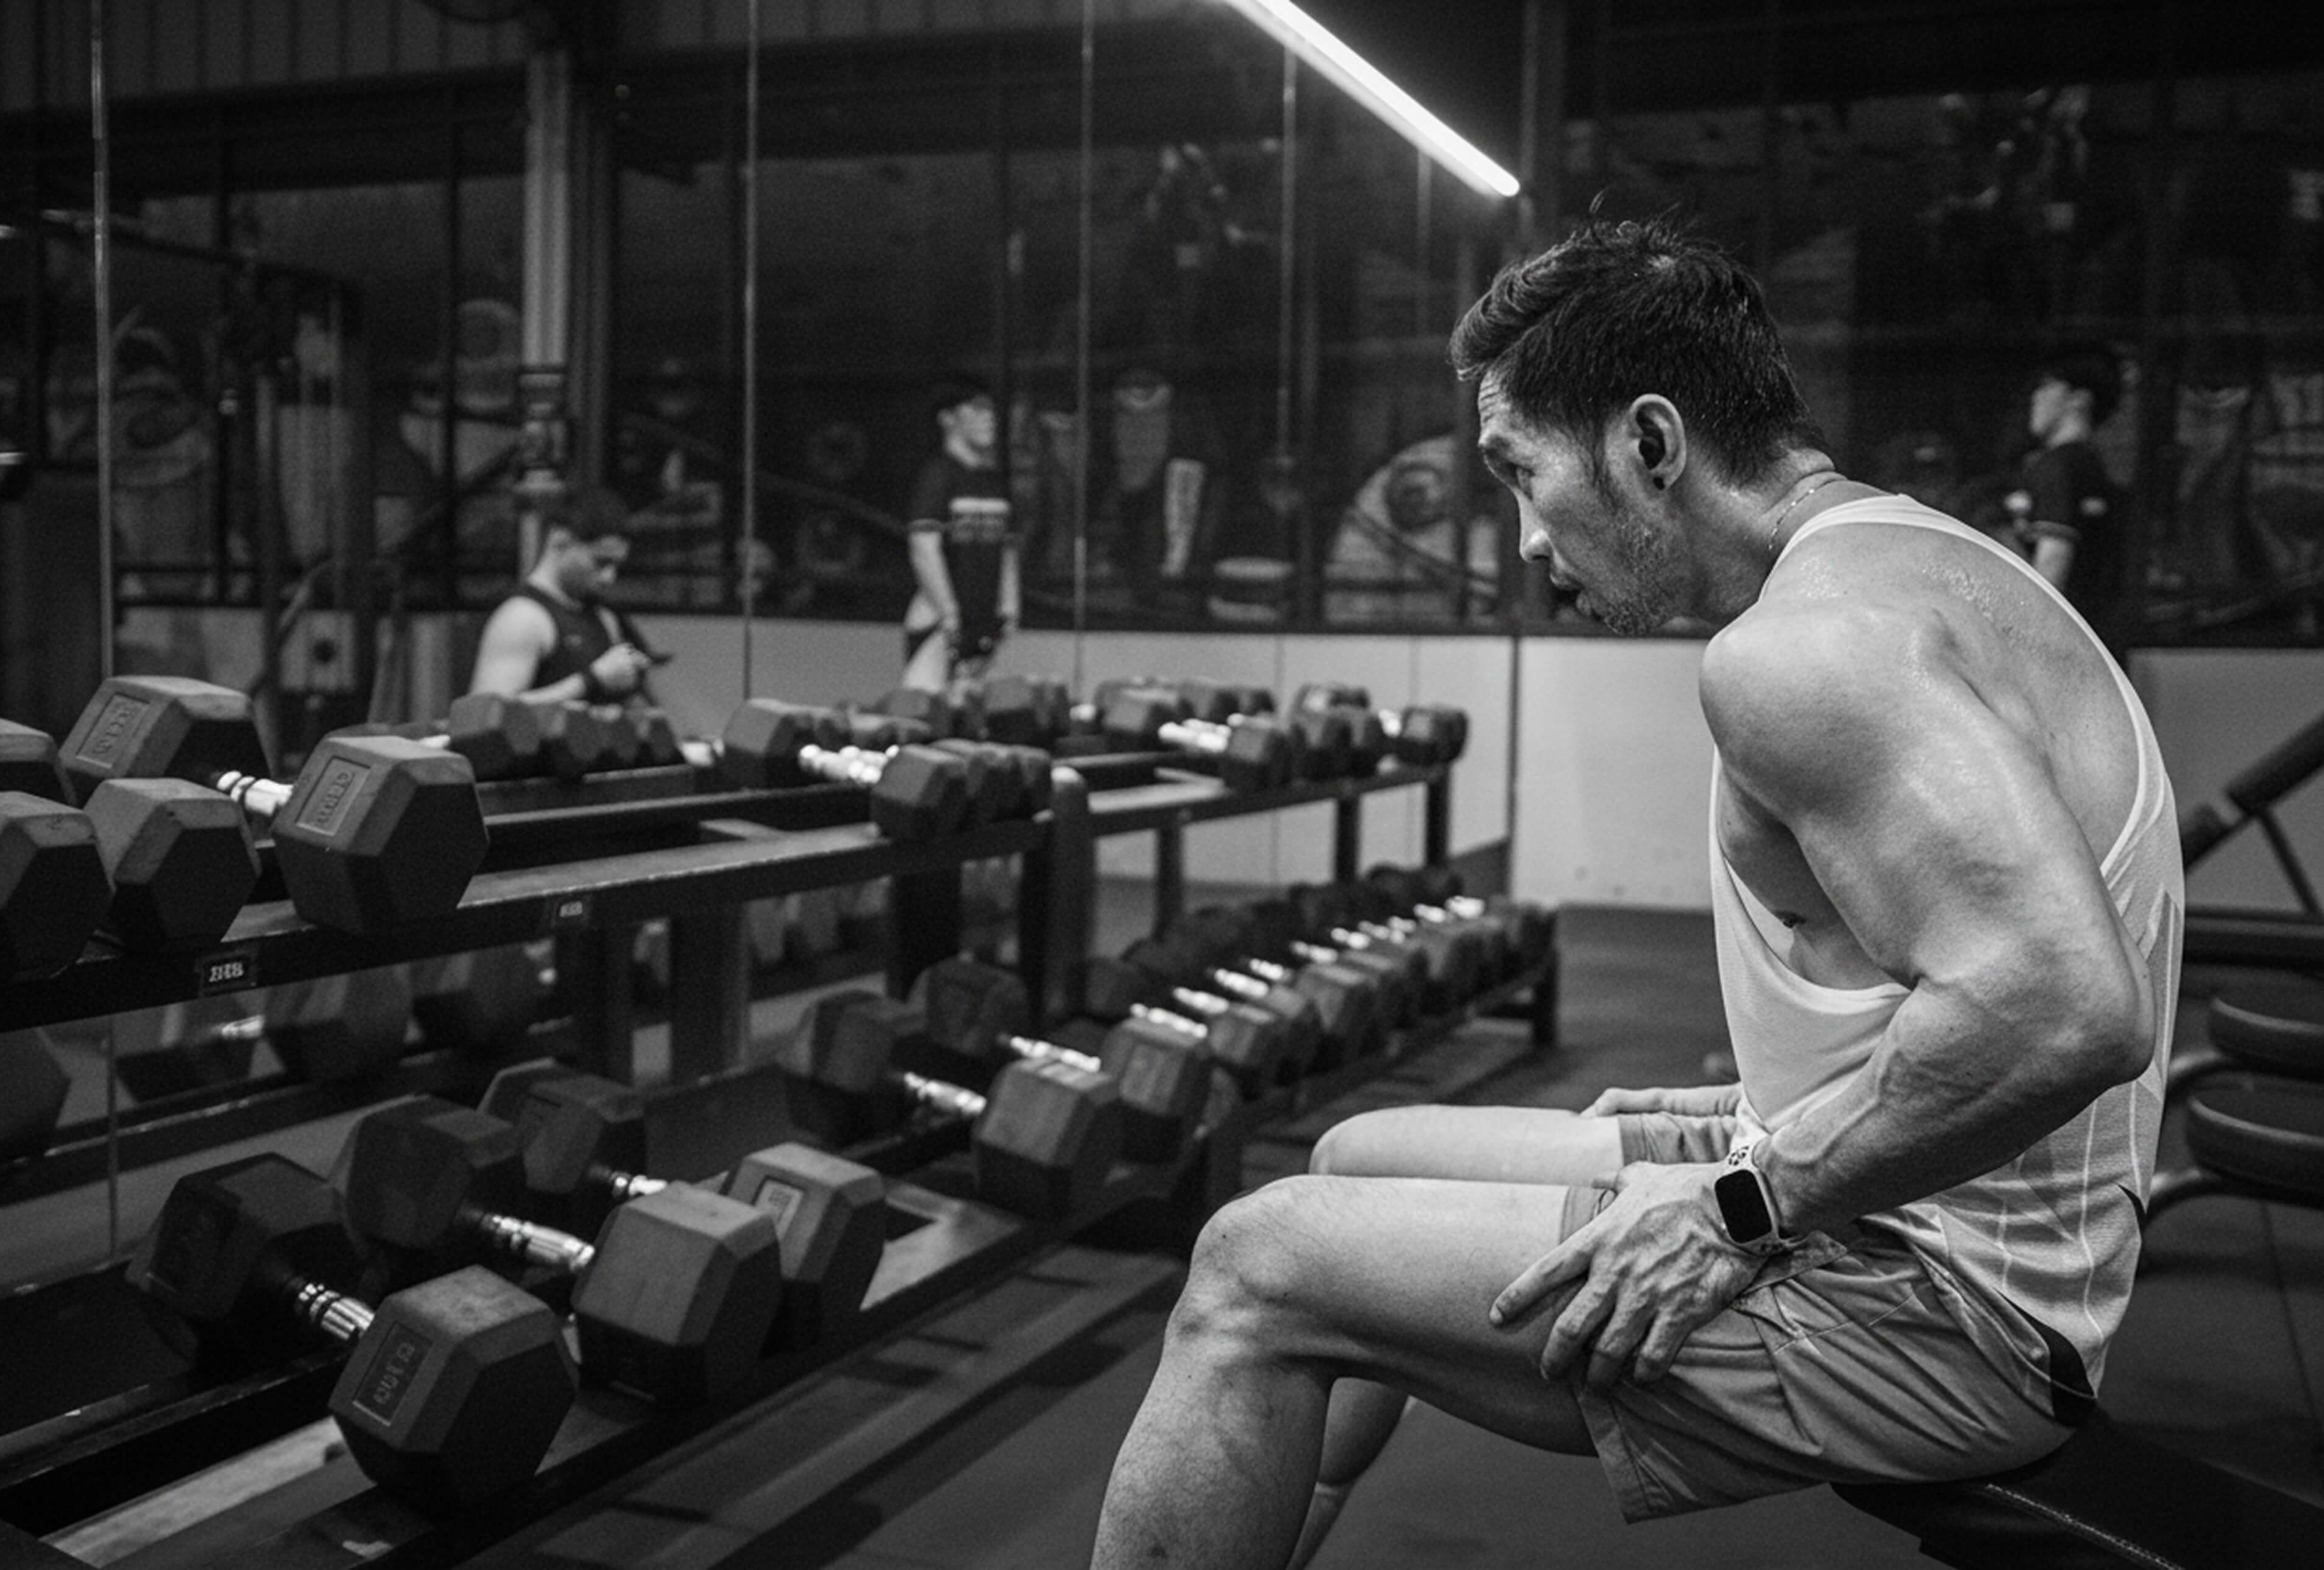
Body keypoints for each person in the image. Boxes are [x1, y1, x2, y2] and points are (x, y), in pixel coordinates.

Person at [1090, 217, 2184, 1569]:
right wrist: (1753, 1110)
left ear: (1649, 445)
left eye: (1521, 471)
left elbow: (2070, 1006)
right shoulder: (1916, 562)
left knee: (1254, 1263)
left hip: (1946, 1314)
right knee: (1350, 1156)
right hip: (1939, 1226)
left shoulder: (1804, 652)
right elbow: (1943, 976)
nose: (1524, 534)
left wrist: (1746, 1197)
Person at [468, 492, 659, 706]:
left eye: (616, 565)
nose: (609, 577)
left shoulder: (603, 616)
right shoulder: (523, 617)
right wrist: (589, 681)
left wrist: (629, 680)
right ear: (560, 541)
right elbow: (486, 713)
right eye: (601, 562)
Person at [901, 377, 1019, 692]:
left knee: (973, 720)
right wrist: (949, 613)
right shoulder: (938, 477)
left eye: (991, 410)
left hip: (984, 626)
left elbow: (1006, 547)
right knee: (927, 712)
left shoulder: (993, 482)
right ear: (948, 418)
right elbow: (923, 547)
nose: (989, 417)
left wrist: (1009, 606)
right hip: (941, 626)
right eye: (977, 409)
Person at [2015, 343, 2132, 653]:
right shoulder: (2095, 467)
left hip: (2060, 643)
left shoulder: (2055, 466)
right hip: (2097, 639)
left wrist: (2023, 641)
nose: (2035, 399)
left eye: (2046, 388)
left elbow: (2053, 560)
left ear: (2079, 400)